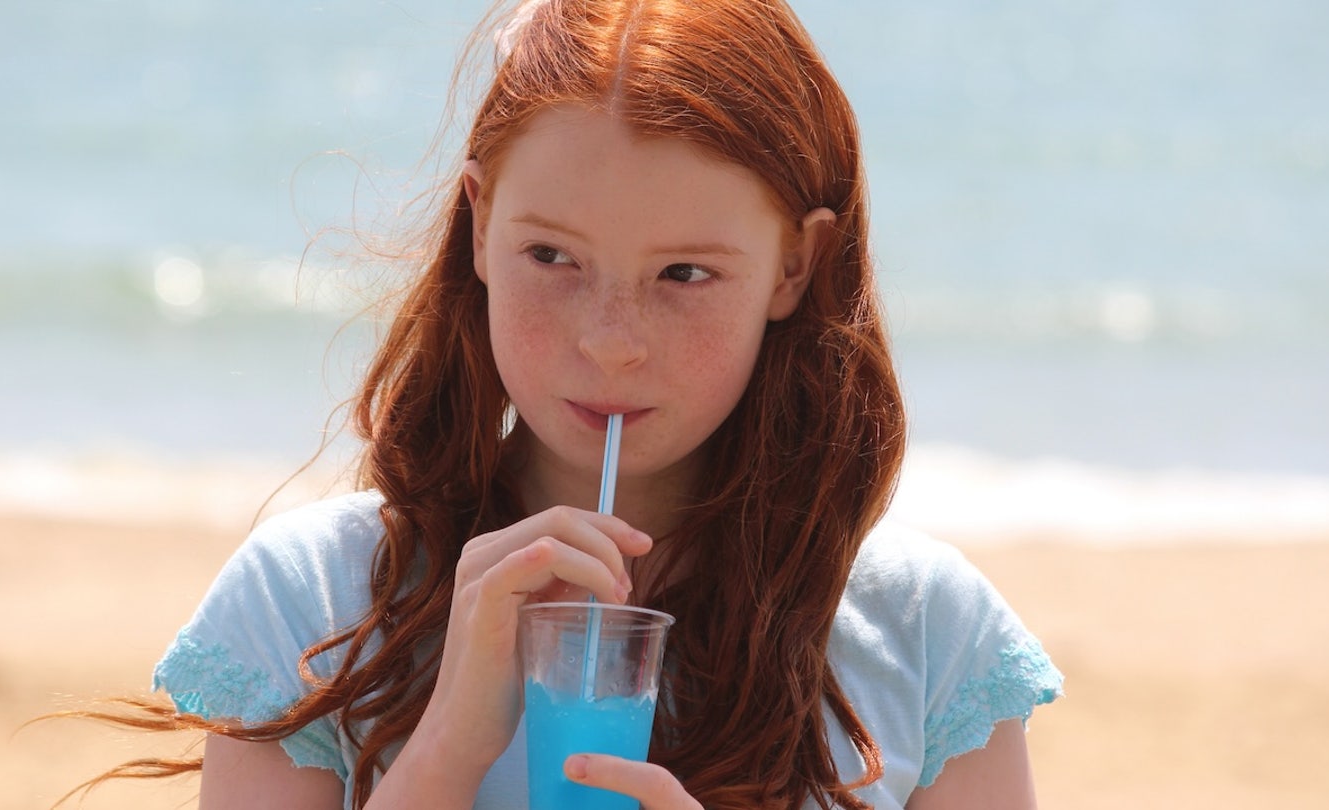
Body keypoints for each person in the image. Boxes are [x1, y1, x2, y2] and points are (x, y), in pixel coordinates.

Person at [96, 1, 1063, 808]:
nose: (610, 339)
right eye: (550, 256)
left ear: (795, 266)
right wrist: (446, 749)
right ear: (480, 226)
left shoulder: (930, 636)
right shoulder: (311, 608)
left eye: (685, 272)